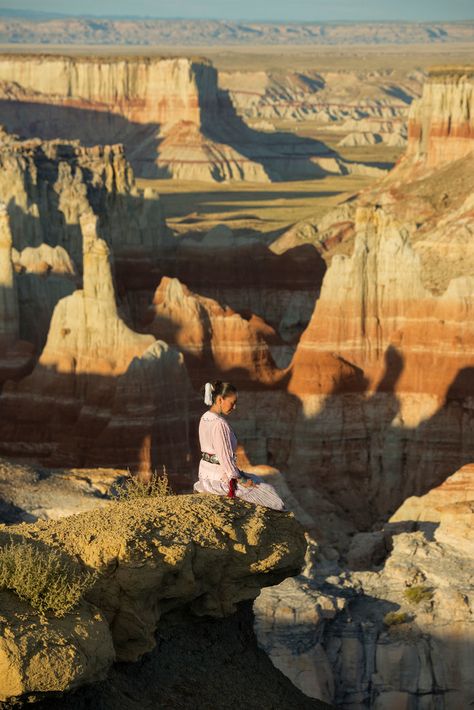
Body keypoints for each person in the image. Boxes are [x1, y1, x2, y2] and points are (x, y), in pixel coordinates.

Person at [193, 380, 285, 511]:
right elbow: (225, 459)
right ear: (220, 400)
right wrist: (241, 480)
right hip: (220, 480)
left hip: (205, 476)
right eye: (232, 403)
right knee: (270, 494)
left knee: (256, 477)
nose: (234, 407)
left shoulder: (205, 417)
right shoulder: (220, 424)